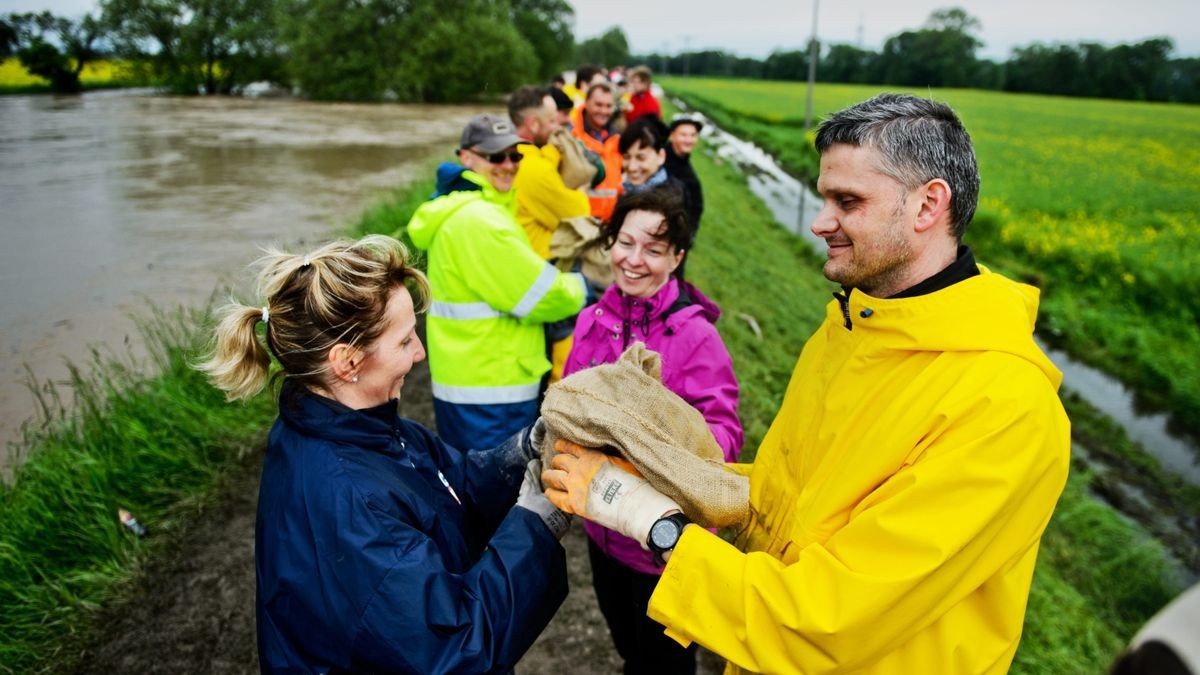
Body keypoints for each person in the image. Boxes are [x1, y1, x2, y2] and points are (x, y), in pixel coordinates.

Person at [544, 93, 1072, 673]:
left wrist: (648, 519)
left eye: (847, 201)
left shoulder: (1005, 408)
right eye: (824, 198)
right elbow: (790, 501)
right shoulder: (849, 329)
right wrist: (671, 466)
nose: (821, 222)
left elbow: (827, 620)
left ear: (928, 205)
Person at [198, 235, 573, 673]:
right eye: (404, 341)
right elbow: (455, 650)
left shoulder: (357, 423)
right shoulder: (351, 502)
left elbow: (447, 492)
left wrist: (520, 452)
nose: (420, 353)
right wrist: (536, 524)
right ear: (347, 362)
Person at [564, 186, 742, 674]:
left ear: (676, 258)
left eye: (654, 249)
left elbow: (724, 435)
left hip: (665, 546)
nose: (634, 260)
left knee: (666, 661)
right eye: (625, 242)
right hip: (603, 531)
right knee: (626, 642)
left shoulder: (695, 336)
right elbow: (572, 400)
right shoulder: (590, 321)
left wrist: (655, 446)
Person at [408, 114, 588, 451]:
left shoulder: (459, 207)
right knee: (496, 493)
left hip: (468, 378)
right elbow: (542, 296)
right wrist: (583, 286)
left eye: (515, 155)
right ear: (466, 157)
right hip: (494, 389)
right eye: (496, 156)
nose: (508, 165)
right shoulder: (481, 221)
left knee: (471, 483)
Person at [509, 85, 590, 259]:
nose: (558, 126)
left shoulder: (512, 157)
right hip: (542, 263)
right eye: (552, 121)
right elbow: (580, 214)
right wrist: (581, 186)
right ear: (533, 124)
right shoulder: (535, 169)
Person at [570, 80, 623, 223]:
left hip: (609, 220)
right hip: (581, 220)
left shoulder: (617, 138)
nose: (604, 111)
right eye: (598, 105)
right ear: (586, 103)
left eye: (608, 106)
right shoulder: (571, 136)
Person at [664, 114, 704, 235]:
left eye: (693, 135)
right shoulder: (655, 157)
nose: (689, 140)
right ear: (672, 135)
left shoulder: (691, 179)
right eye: (684, 135)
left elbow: (695, 212)